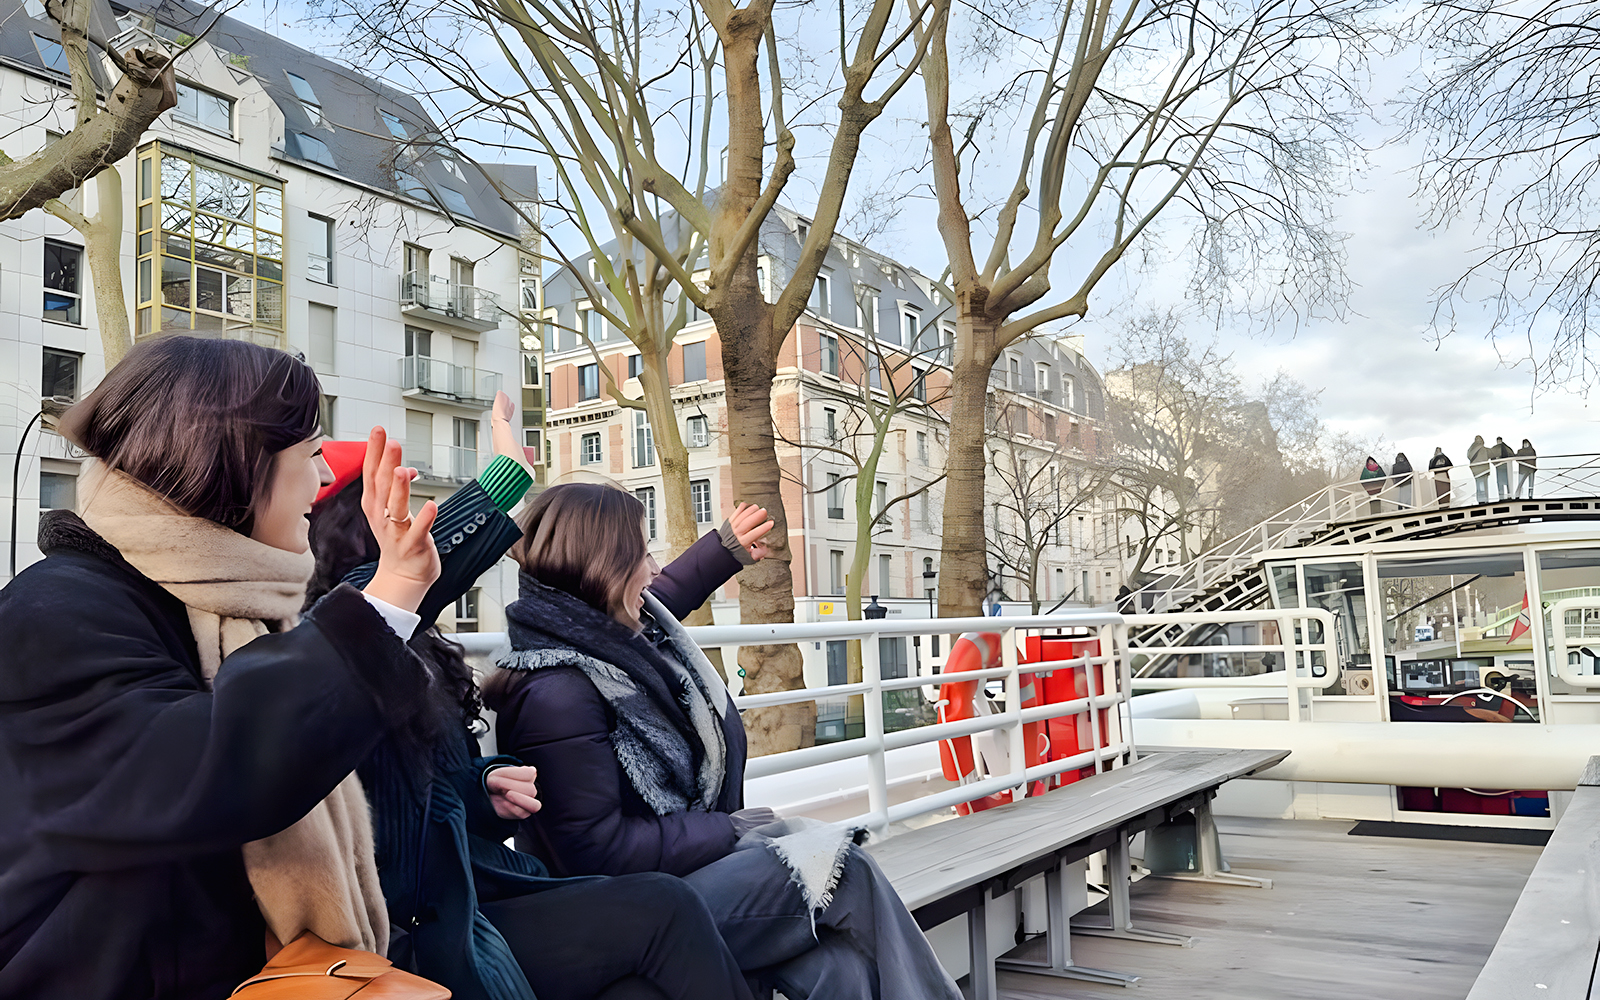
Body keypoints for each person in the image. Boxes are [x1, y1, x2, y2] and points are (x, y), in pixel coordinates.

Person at [0, 337, 444, 1000]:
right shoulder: (55, 608)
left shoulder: (227, 603)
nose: (324, 484)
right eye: (311, 455)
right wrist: (386, 603)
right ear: (233, 463)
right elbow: (207, 769)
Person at [308, 396, 753, 1000]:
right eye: (389, 508)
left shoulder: (409, 644)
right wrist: (503, 478)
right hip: (436, 926)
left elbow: (420, 796)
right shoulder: (333, 639)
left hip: (480, 889)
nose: (412, 523)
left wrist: (482, 787)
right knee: (674, 912)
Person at [485, 484, 962, 1000]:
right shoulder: (558, 692)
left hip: (673, 875)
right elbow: (594, 852)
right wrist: (726, 828)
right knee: (843, 869)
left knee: (837, 966)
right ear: (606, 568)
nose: (651, 566)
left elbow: (661, 597)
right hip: (630, 904)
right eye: (641, 553)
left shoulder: (600, 639)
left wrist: (724, 549)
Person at [1468, 435, 1491, 504]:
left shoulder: (1471, 450)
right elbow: (1492, 454)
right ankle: (1484, 500)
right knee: (1484, 486)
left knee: (1478, 485)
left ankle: (1480, 500)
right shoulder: (1483, 449)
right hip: (1483, 470)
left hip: (1475, 471)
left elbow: (1468, 456)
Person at [1491, 435, 1515, 500]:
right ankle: (1509, 495)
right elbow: (1512, 455)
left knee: (1500, 483)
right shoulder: (1507, 447)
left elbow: (1491, 458)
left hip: (1500, 468)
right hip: (1506, 467)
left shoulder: (1495, 448)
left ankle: (1501, 497)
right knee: (1507, 482)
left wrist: (1496, 464)